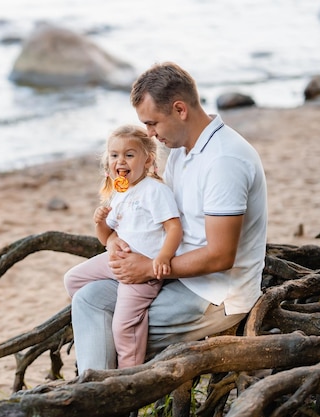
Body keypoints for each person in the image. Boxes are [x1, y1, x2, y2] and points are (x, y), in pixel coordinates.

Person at [71, 61, 268, 374]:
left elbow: (221, 256)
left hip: (214, 294)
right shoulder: (180, 149)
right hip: (175, 274)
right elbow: (156, 214)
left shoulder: (224, 161)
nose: (149, 133)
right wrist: (115, 241)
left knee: (104, 322)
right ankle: (99, 390)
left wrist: (149, 267)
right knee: (87, 297)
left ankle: (101, 395)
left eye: (153, 124)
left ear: (180, 110)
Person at [64, 125, 182, 369]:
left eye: (129, 154)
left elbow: (174, 228)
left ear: (148, 159)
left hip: (141, 273)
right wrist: (102, 227)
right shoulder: (120, 191)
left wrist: (162, 258)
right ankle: (107, 318)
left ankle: (128, 374)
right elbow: (107, 236)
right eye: (114, 155)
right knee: (72, 280)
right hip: (117, 262)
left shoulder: (154, 191)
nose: (121, 160)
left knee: (124, 328)